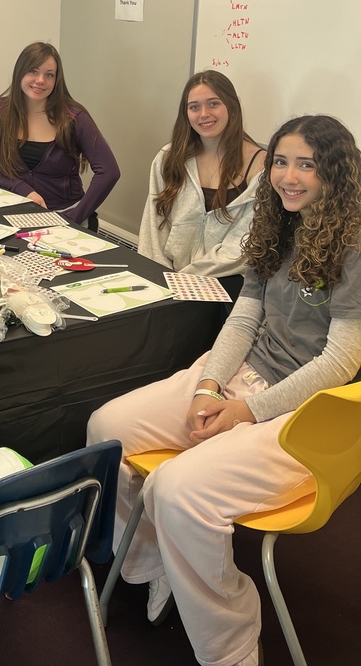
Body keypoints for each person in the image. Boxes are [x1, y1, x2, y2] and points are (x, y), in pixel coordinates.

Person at [87, 114, 361, 666]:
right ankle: (152, 561)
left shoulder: (352, 245)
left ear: (334, 173)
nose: (287, 176)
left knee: (177, 489)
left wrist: (246, 410)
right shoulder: (278, 225)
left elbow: (341, 361)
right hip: (243, 378)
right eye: (281, 161)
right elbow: (244, 319)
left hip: (308, 409)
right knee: (107, 430)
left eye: (306, 165)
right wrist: (209, 386)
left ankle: (231, 645)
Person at [138, 70, 265, 301]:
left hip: (229, 287)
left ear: (231, 106)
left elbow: (244, 246)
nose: (204, 114)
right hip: (168, 283)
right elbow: (153, 228)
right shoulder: (169, 158)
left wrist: (183, 279)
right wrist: (156, 279)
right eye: (194, 107)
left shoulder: (260, 166)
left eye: (213, 104)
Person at [0, 41, 120, 228]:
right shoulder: (0, 110)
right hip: (16, 214)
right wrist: (23, 190)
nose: (40, 80)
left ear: (57, 80)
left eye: (49, 75)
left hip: (65, 216)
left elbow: (109, 171)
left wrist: (74, 217)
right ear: (20, 72)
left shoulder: (74, 117)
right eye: (33, 71)